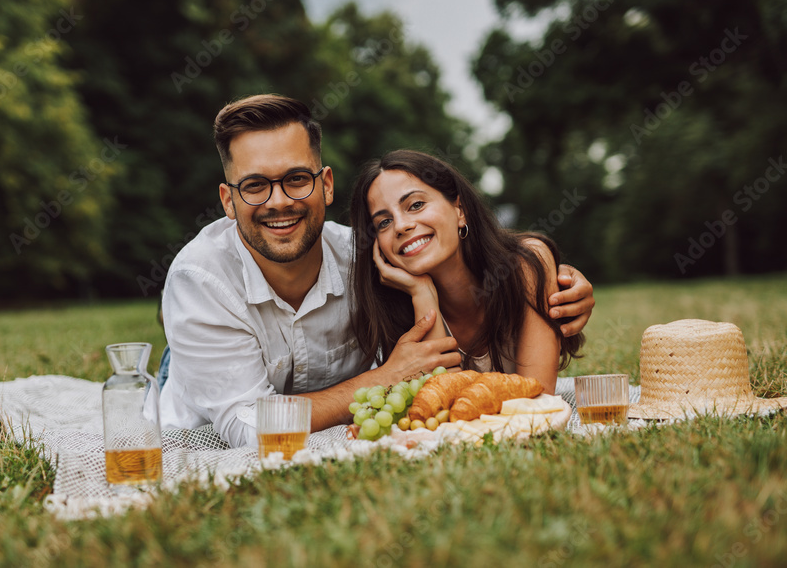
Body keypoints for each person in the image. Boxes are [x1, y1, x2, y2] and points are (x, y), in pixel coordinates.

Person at [157, 94, 594, 447]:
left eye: (295, 179)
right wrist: (386, 378)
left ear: (325, 184)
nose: (278, 202)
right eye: (254, 186)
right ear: (227, 201)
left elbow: (450, 383)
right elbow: (249, 428)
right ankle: (176, 354)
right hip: (206, 388)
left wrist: (558, 282)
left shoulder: (369, 261)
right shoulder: (200, 279)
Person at [350, 150, 584, 394]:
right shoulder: (394, 309)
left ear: (460, 210)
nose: (401, 225)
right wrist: (422, 293)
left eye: (416, 205)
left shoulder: (526, 263)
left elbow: (537, 397)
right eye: (383, 222)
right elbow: (444, 405)